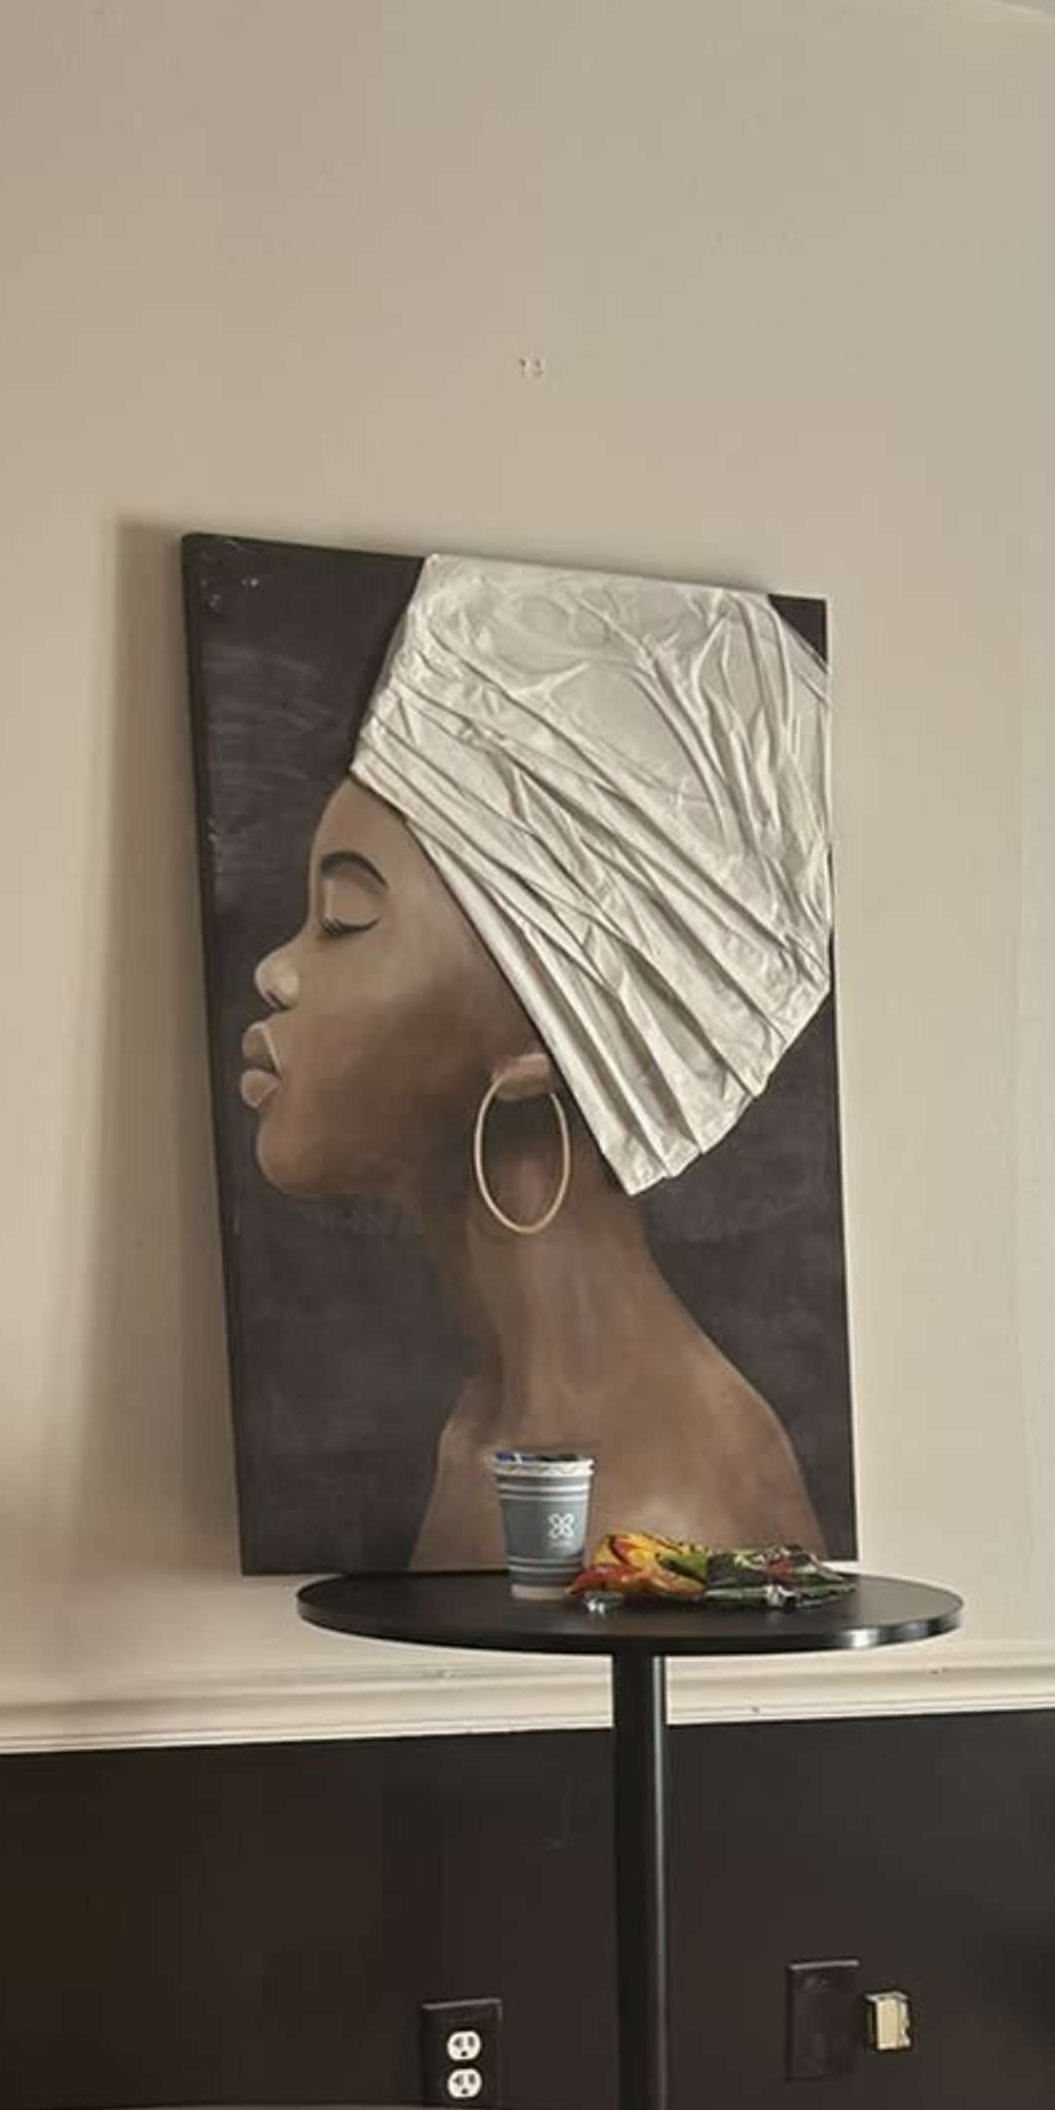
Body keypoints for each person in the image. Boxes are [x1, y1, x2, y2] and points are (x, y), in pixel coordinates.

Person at [237, 557, 831, 1563]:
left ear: (541, 1040)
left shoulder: (653, 1506)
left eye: (345, 918)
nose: (276, 972)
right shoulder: (492, 1428)